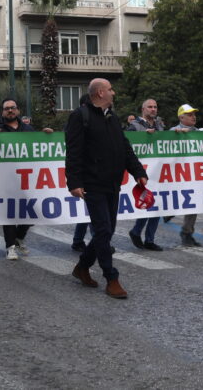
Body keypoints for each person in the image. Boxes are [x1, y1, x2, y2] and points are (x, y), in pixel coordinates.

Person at [66, 78, 148, 299]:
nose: (114, 92)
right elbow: (73, 152)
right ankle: (111, 278)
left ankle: (82, 267)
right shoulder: (79, 117)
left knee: (107, 230)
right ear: (101, 93)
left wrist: (138, 172)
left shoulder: (112, 117)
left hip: (113, 183)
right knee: (102, 230)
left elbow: (124, 147)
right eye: (111, 89)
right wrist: (73, 182)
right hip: (92, 183)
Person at [0, 98, 53, 260]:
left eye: (13, 108)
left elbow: (37, 145)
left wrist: (45, 136)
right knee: (10, 213)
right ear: (2, 112)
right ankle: (10, 246)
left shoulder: (27, 128)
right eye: (6, 109)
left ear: (18, 110)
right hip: (6, 178)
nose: (10, 111)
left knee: (32, 211)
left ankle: (19, 237)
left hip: (27, 179)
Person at [126, 99, 166, 251]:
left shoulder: (160, 126)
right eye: (150, 107)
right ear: (143, 109)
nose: (153, 109)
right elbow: (128, 144)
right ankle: (136, 231)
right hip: (143, 170)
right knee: (147, 202)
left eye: (155, 107)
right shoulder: (134, 126)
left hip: (159, 171)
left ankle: (149, 239)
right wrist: (144, 135)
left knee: (158, 205)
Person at [169, 104, 203, 247]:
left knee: (194, 203)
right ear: (181, 117)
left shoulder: (200, 132)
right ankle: (168, 212)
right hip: (177, 174)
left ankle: (187, 232)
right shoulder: (173, 130)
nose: (193, 117)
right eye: (189, 114)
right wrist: (176, 134)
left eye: (194, 114)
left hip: (193, 174)